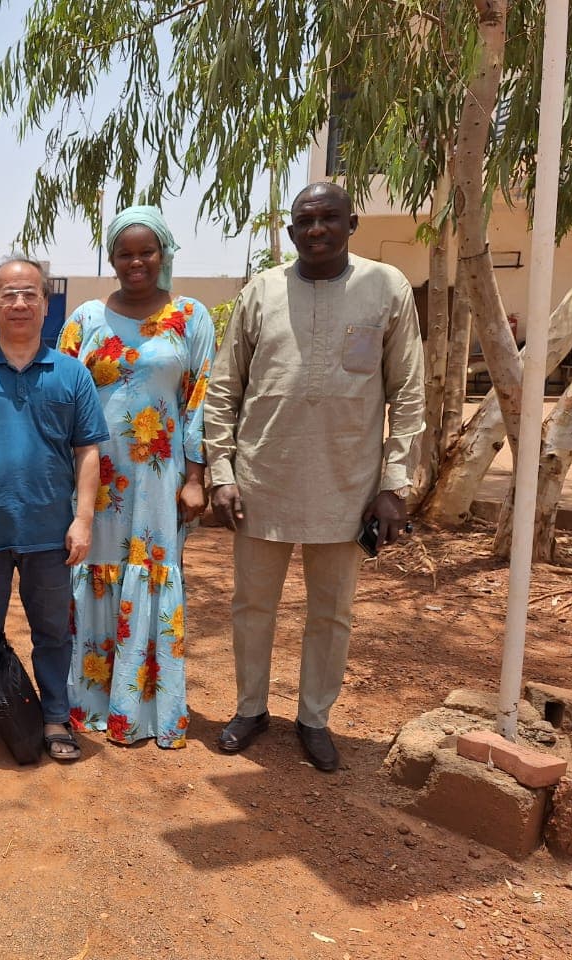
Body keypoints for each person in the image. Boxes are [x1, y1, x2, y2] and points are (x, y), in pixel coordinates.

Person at [204, 182, 425, 772]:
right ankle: (251, 709)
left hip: (348, 484)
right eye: (305, 220)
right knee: (252, 605)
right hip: (262, 480)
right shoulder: (262, 292)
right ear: (291, 230)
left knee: (332, 611)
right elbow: (224, 389)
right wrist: (221, 472)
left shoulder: (386, 287)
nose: (317, 229)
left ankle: (314, 718)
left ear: (352, 223)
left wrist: (393, 484)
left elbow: (407, 393)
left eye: (330, 218)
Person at [0, 256, 108, 762]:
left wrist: (83, 520)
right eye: (7, 294)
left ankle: (55, 715)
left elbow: (88, 452)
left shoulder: (71, 375)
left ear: (46, 303)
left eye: (30, 293)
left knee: (52, 631)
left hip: (50, 532)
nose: (19, 303)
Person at [59, 205, 216, 748]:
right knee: (95, 573)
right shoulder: (82, 319)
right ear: (111, 258)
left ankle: (144, 708)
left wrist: (195, 478)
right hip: (92, 476)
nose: (136, 262)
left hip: (157, 477)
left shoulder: (191, 317)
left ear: (164, 253)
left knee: (150, 571)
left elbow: (199, 403)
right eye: (125, 253)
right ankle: (92, 703)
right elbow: (61, 397)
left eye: (146, 251)